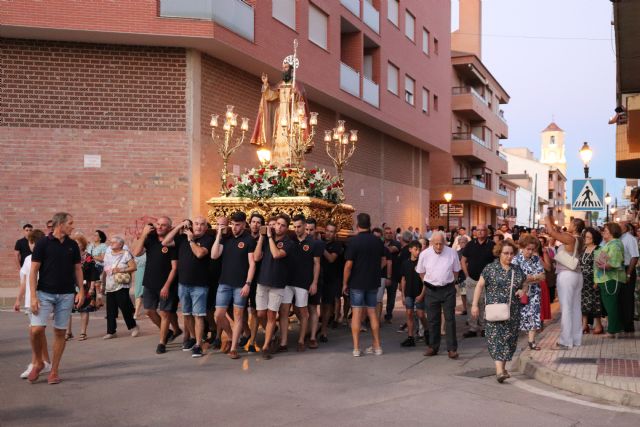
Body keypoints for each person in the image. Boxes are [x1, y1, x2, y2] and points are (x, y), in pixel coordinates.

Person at [28, 212, 85, 384]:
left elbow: (77, 269)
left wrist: (81, 290)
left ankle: (54, 371)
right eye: (70, 223)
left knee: (60, 332)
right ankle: (38, 362)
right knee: (36, 330)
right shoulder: (43, 243)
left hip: (66, 294)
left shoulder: (73, 245)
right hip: (44, 293)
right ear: (60, 224)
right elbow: (33, 271)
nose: (72, 226)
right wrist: (33, 296)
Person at [471, 239, 527, 383]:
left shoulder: (517, 270)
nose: (509, 256)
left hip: (512, 312)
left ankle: (502, 369)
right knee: (496, 340)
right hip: (493, 311)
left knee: (509, 340)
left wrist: (522, 290)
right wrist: (474, 305)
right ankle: (499, 371)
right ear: (499, 253)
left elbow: (525, 284)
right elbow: (479, 286)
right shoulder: (490, 269)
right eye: (505, 253)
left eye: (511, 253)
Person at [162, 216, 215, 358]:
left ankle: (198, 344)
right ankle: (192, 338)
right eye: (196, 224)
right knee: (186, 314)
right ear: (192, 225)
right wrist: (179, 226)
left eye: (202, 224)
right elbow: (165, 242)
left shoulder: (207, 240)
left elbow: (199, 253)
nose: (199, 226)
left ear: (206, 227)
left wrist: (191, 240)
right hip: (183, 284)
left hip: (200, 285)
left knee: (198, 316)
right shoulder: (181, 239)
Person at [211, 211, 256, 359]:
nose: (235, 227)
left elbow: (252, 264)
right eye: (233, 224)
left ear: (244, 224)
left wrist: (247, 284)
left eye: (238, 225)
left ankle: (234, 347)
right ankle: (231, 335)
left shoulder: (249, 240)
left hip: (240, 285)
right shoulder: (226, 237)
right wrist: (218, 234)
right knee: (218, 315)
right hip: (224, 283)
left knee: (238, 316)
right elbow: (214, 255)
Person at [132, 217, 180, 355]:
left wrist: (166, 286)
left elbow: (174, 268)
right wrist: (143, 234)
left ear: (169, 228)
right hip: (149, 282)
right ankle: (169, 331)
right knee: (149, 311)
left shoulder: (172, 243)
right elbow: (136, 253)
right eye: (158, 224)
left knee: (165, 313)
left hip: (166, 284)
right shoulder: (150, 239)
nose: (159, 227)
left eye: (164, 225)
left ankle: (162, 342)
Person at [251, 59, 310, 166]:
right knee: (279, 138)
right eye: (283, 68)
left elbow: (301, 102)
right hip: (280, 115)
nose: (283, 70)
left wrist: (296, 94)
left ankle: (291, 162)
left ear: (292, 70)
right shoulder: (280, 84)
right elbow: (270, 96)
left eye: (286, 67)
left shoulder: (297, 86)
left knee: (291, 138)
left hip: (292, 116)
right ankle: (278, 162)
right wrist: (265, 85)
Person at [343, 213, 386, 356]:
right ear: (370, 224)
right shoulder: (377, 241)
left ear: (357, 225)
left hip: (356, 282)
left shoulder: (353, 242)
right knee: (372, 313)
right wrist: (376, 270)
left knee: (356, 313)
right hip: (373, 281)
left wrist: (344, 283)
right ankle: (377, 346)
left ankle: (356, 348)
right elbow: (384, 260)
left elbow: (348, 265)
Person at [254, 213, 294, 360]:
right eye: (277, 224)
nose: (279, 227)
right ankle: (272, 332)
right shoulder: (265, 240)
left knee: (271, 316)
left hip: (277, 284)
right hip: (262, 281)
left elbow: (277, 254)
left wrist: (270, 238)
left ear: (286, 228)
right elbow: (257, 257)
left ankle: (266, 346)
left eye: (283, 225)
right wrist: (262, 238)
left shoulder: (289, 243)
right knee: (260, 314)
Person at [278, 215, 321, 352]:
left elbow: (317, 264)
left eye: (299, 227)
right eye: (294, 227)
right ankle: (283, 342)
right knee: (284, 311)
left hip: (303, 283)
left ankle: (301, 340)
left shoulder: (313, 242)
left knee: (303, 312)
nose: (296, 229)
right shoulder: (290, 240)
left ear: (304, 226)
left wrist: (314, 283)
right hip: (287, 282)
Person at [14, 229, 52, 379]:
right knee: (38, 332)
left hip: (41, 299)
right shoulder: (28, 259)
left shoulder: (47, 256)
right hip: (30, 299)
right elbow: (24, 281)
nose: (31, 245)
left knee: (35, 332)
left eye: (32, 242)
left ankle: (35, 362)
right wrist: (19, 298)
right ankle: (45, 361)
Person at [417, 232, 461, 359]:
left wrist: (450, 282)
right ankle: (433, 346)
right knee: (432, 319)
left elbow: (456, 270)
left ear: (445, 243)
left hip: (447, 289)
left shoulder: (451, 252)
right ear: (431, 243)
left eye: (441, 244)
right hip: (431, 290)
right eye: (436, 244)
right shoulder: (425, 254)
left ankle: (452, 349)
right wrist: (428, 282)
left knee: (450, 319)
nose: (438, 246)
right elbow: (421, 272)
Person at [544, 215, 585, 349]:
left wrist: (546, 218)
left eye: (572, 223)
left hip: (566, 274)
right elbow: (557, 233)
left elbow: (551, 232)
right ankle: (576, 339)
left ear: (576, 226)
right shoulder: (580, 239)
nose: (569, 224)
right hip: (577, 275)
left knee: (566, 308)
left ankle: (565, 340)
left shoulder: (570, 238)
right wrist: (554, 226)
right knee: (575, 307)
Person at [461, 224, 495, 338]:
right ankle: (473, 328)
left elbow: (497, 262)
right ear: (475, 232)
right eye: (478, 230)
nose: (480, 232)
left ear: (487, 232)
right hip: (472, 279)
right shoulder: (470, 244)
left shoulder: (492, 245)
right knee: (471, 303)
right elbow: (463, 260)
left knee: (484, 303)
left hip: (486, 280)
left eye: (483, 230)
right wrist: (466, 275)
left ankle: (485, 327)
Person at [512, 235, 545, 350]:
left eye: (533, 249)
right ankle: (513, 341)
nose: (530, 252)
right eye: (528, 249)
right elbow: (516, 278)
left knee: (534, 315)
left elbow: (542, 276)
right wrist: (532, 277)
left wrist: (531, 277)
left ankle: (531, 341)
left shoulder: (536, 259)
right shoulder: (516, 260)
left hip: (534, 292)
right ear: (522, 247)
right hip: (520, 292)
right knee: (518, 316)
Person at [102, 236, 139, 339]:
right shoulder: (108, 254)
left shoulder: (126, 254)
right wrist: (103, 283)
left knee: (124, 307)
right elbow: (105, 270)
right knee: (110, 309)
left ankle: (133, 326)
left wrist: (120, 270)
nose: (111, 243)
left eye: (114, 242)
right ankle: (111, 331)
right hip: (110, 284)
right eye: (111, 241)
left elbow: (133, 267)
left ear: (120, 244)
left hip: (121, 284)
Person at [594, 223, 626, 338]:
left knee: (611, 305)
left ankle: (613, 330)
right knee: (610, 305)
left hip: (611, 279)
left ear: (612, 232)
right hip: (606, 279)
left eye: (606, 231)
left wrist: (602, 265)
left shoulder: (615, 244)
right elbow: (601, 260)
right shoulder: (609, 244)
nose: (603, 233)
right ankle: (615, 327)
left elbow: (614, 263)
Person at [399, 241, 428, 347]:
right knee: (409, 314)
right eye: (416, 249)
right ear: (410, 249)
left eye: (419, 249)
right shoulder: (405, 263)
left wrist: (422, 294)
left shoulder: (421, 263)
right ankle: (410, 337)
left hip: (419, 293)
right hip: (408, 293)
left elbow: (425, 280)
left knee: (421, 314)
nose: (418, 251)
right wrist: (402, 295)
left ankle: (427, 331)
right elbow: (403, 279)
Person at [319, 221, 344, 342]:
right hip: (318, 278)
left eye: (331, 232)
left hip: (331, 279)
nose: (328, 234)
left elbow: (331, 258)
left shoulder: (337, 245)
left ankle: (324, 331)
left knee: (327, 304)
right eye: (327, 231)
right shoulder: (320, 242)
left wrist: (321, 246)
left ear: (335, 234)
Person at [245, 212, 266, 352]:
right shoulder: (244, 238)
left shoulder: (263, 240)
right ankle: (247, 333)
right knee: (239, 310)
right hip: (243, 277)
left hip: (258, 278)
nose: (255, 225)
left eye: (258, 222)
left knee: (254, 310)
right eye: (253, 222)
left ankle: (252, 340)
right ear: (249, 223)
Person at [71, 235, 99, 341]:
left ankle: (83, 332)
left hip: (86, 286)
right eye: (75, 243)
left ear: (83, 244)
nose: (77, 245)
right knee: (69, 310)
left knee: (84, 309)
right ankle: (68, 332)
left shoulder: (88, 257)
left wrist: (92, 287)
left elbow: (93, 273)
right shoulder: (70, 256)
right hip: (72, 286)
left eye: (79, 243)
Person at [579, 228, 604, 334]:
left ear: (594, 238)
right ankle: (584, 325)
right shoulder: (583, 249)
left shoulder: (599, 249)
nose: (586, 239)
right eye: (585, 237)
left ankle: (598, 324)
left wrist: (597, 281)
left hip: (593, 280)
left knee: (595, 302)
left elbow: (602, 267)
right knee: (583, 302)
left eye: (589, 237)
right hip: (582, 280)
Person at [619, 222, 638, 333]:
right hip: (619, 269)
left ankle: (628, 325)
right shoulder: (619, 238)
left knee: (627, 298)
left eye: (620, 226)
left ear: (626, 228)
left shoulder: (630, 239)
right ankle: (622, 323)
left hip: (627, 269)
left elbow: (634, 257)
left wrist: (629, 273)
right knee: (621, 298)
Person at [383, 227, 401, 324]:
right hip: (381, 275)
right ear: (383, 234)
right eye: (386, 233)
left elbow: (391, 250)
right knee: (378, 297)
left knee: (391, 297)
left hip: (393, 275)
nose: (388, 234)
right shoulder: (380, 243)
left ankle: (388, 315)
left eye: (390, 233)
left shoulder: (396, 243)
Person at [133, 251, 146, 319]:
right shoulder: (137, 251)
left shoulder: (150, 250)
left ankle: (150, 310)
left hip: (149, 272)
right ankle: (136, 312)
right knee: (138, 293)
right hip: (139, 273)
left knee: (148, 292)